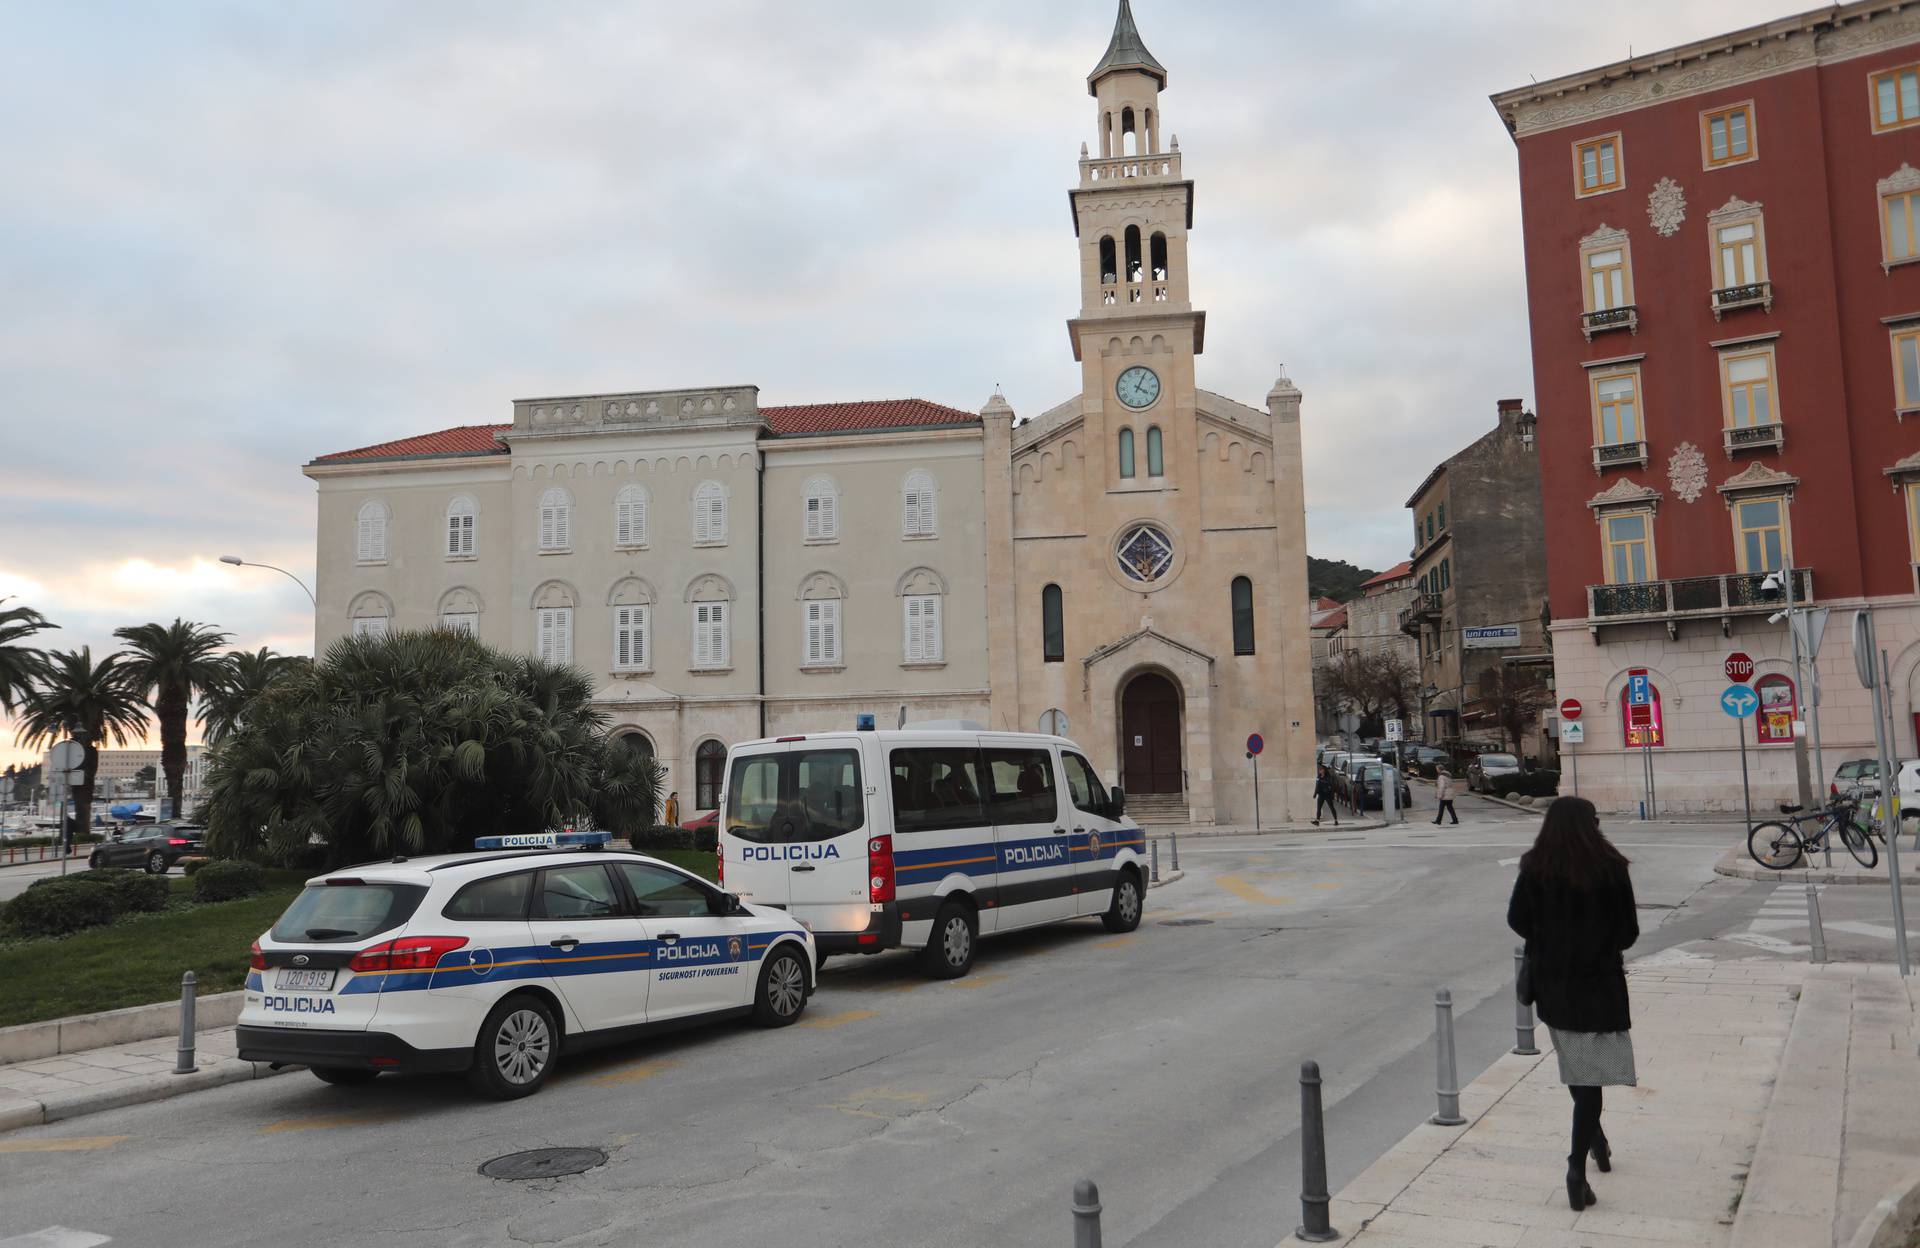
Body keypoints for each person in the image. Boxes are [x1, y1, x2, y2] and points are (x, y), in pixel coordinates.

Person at [1506, 796, 1639, 1212]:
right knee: (1590, 1080)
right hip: (1599, 984)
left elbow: (1517, 919)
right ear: (1589, 825)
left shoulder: (1536, 867)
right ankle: (1576, 1168)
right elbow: (1628, 932)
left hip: (1555, 985)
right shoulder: (1611, 867)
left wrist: (1549, 941)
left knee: (1580, 1072)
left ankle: (1594, 1140)